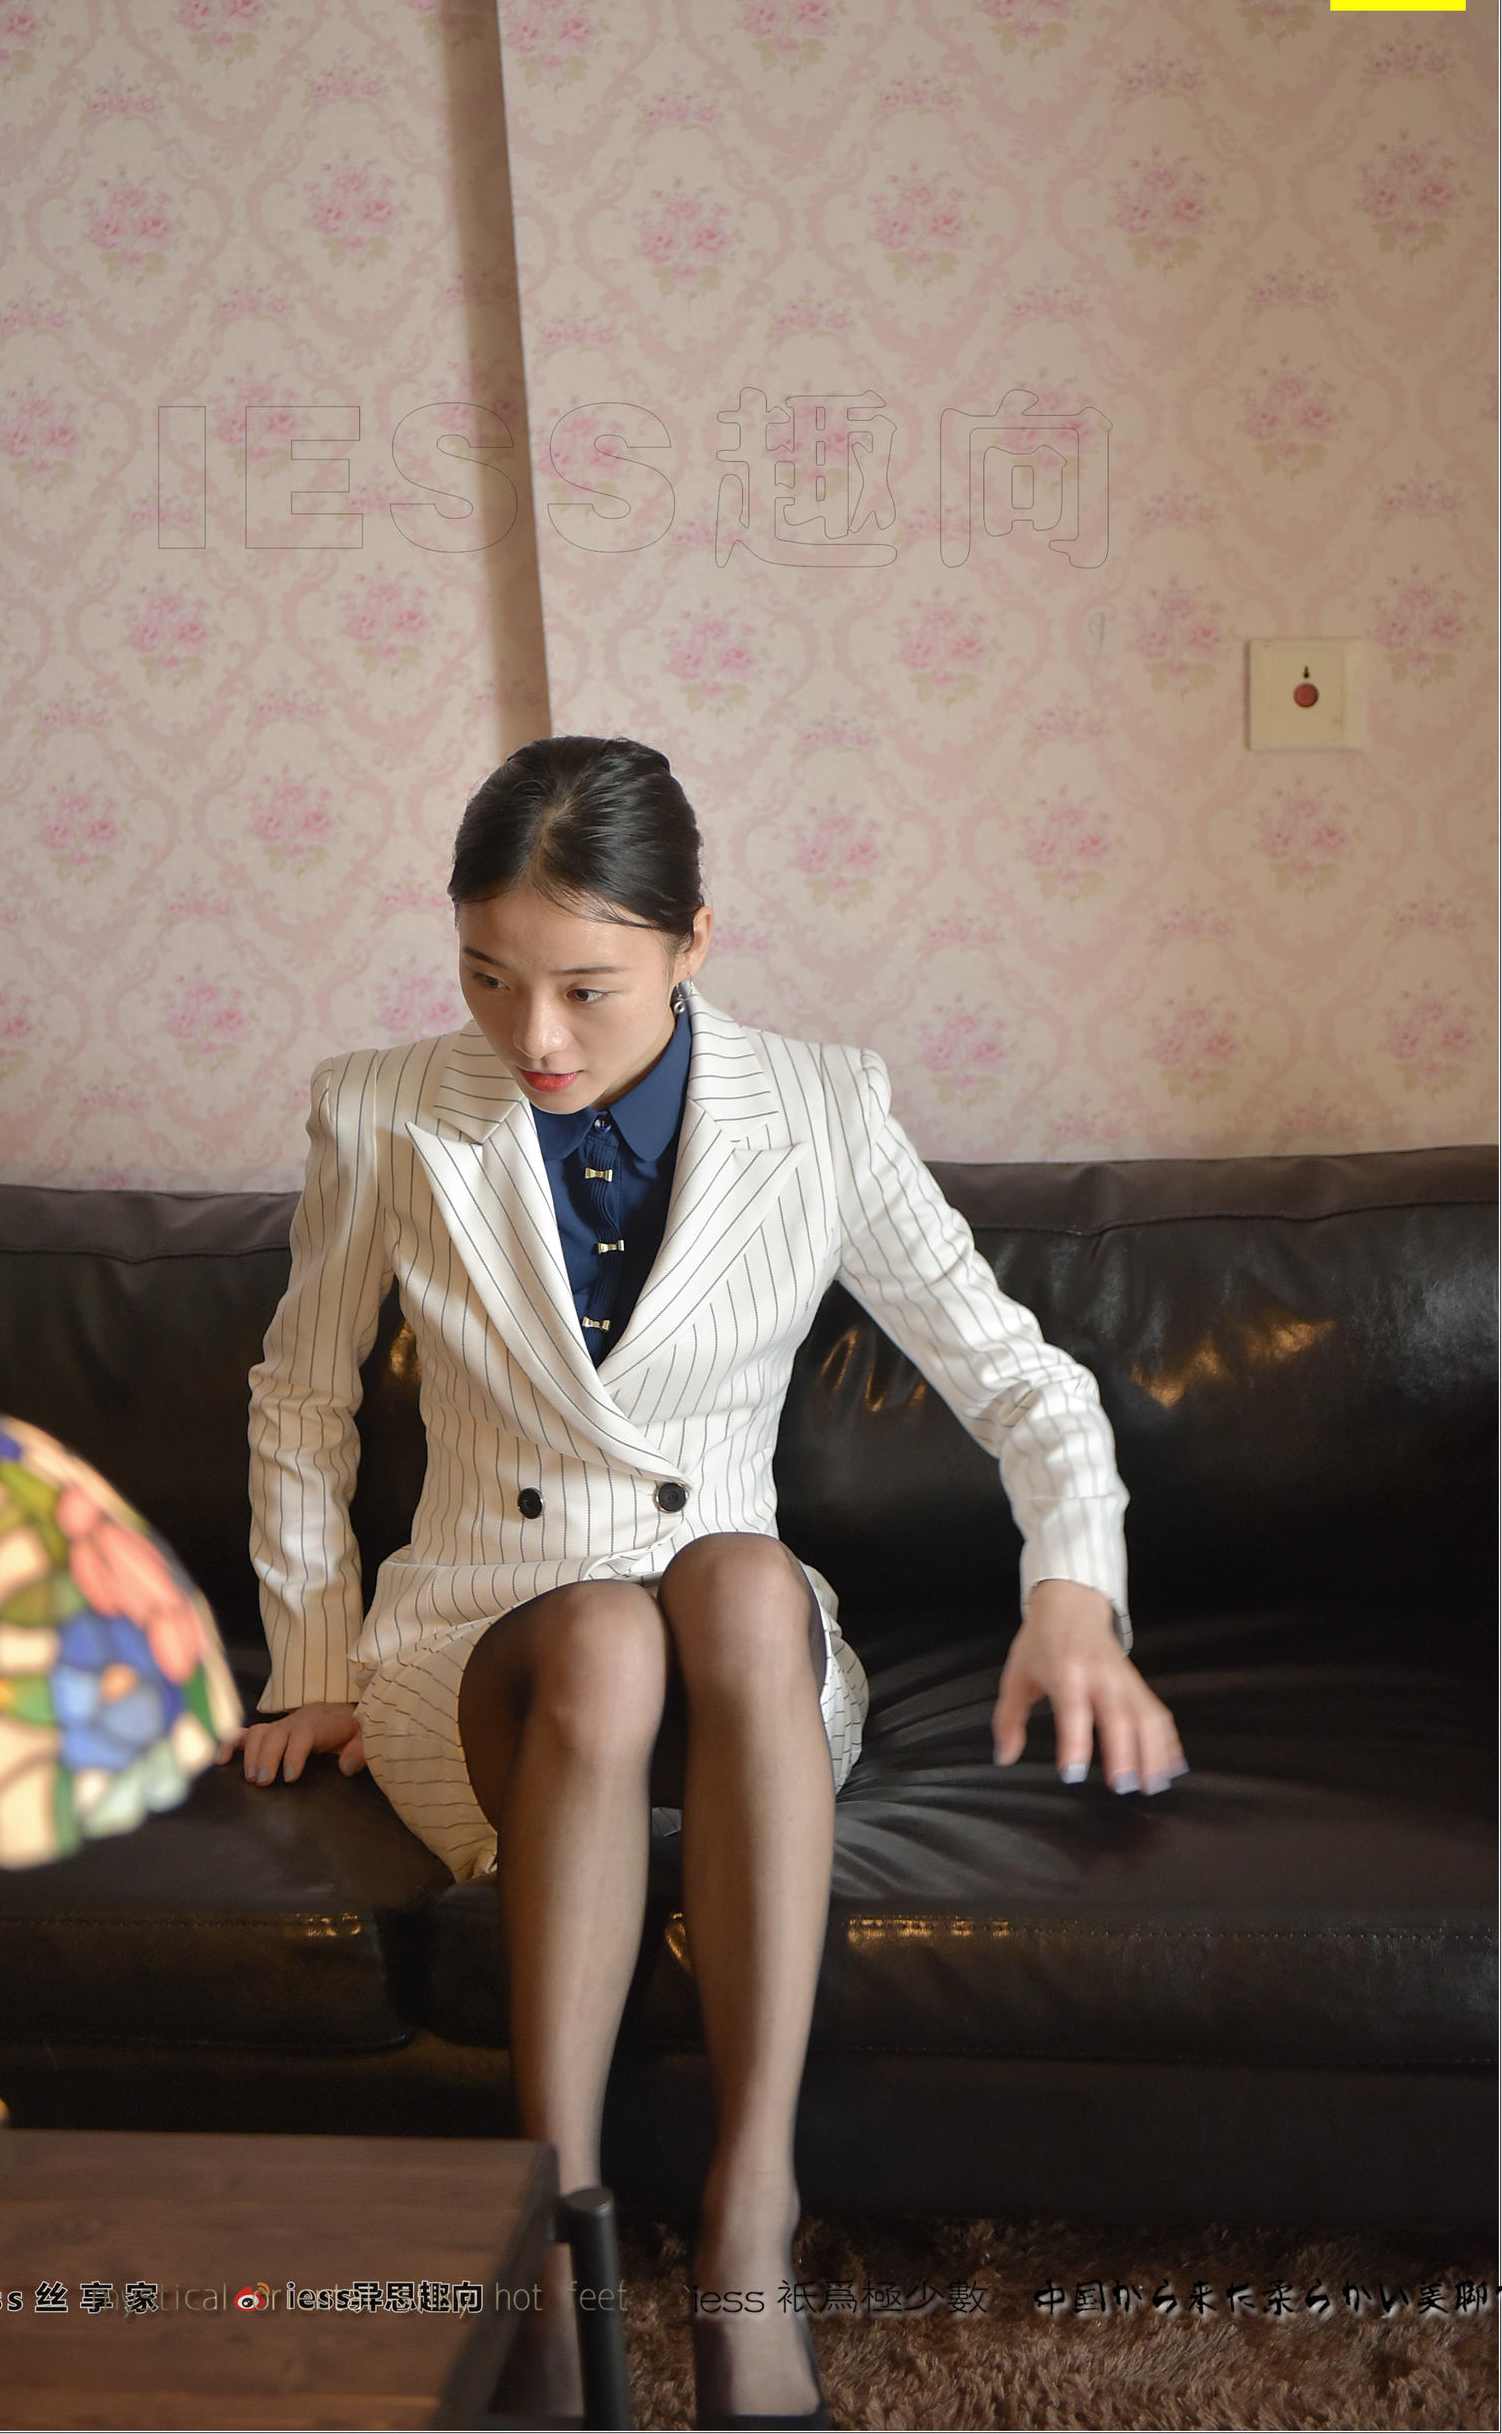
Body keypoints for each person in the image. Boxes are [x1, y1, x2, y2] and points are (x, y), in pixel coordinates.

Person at [220, 735, 1186, 2430]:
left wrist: (1074, 1599)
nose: (532, 1035)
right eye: (486, 976)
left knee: (738, 1578)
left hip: (744, 1670)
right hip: (488, 1643)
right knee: (602, 1633)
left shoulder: (822, 1107)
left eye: (585, 987)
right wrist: (310, 1660)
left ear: (692, 942)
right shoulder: (381, 1108)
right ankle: (552, 2229)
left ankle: (752, 2215)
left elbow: (1020, 1379)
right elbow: (301, 1398)